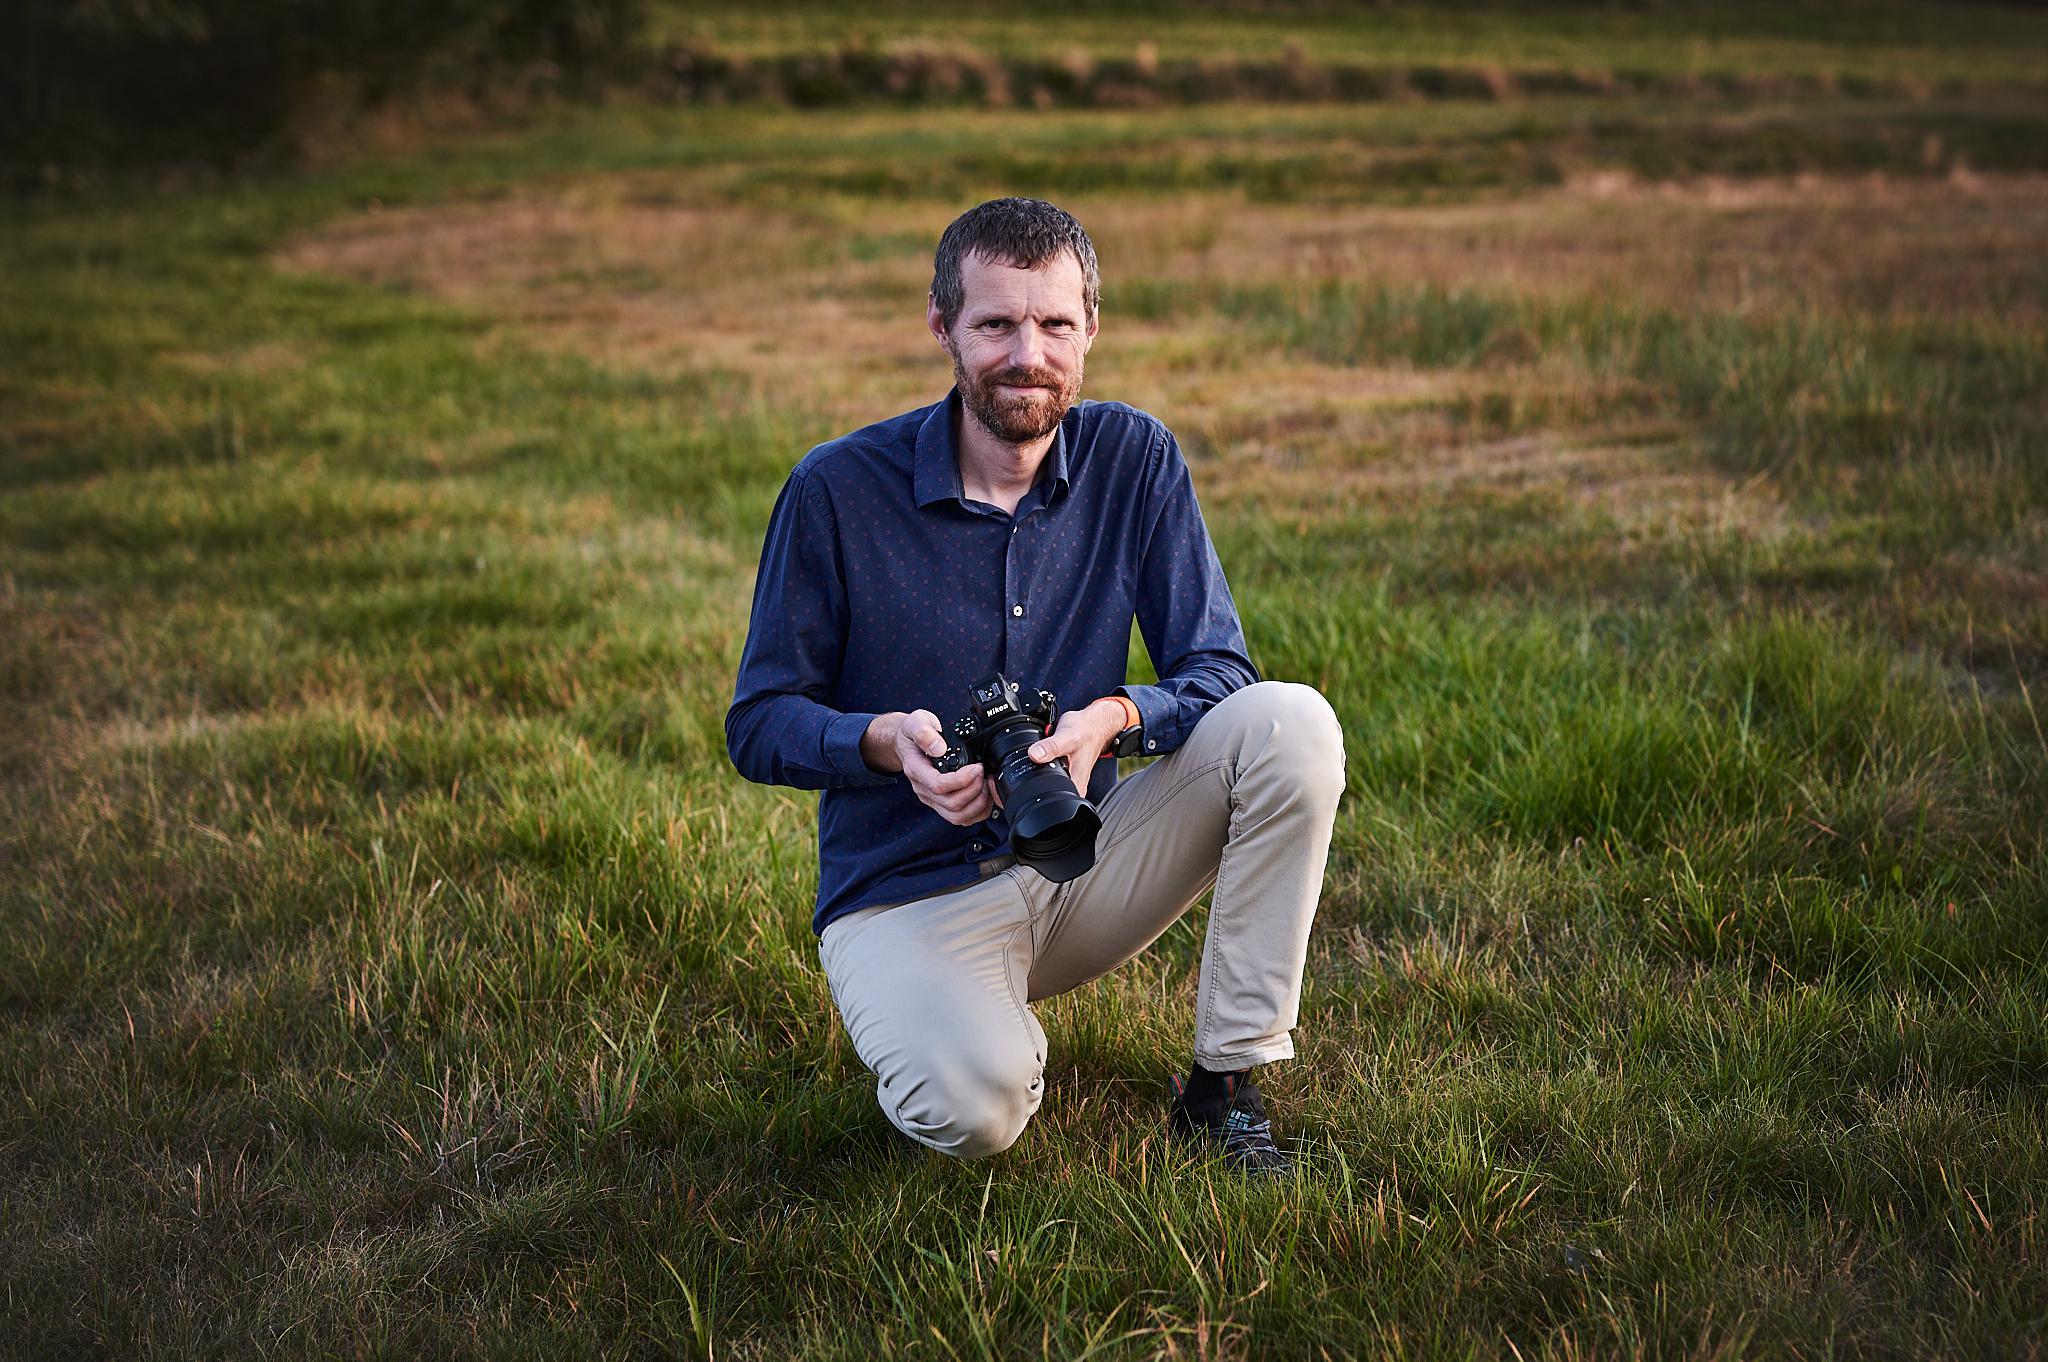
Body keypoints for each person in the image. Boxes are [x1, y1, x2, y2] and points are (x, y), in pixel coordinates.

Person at [725, 196, 1345, 1174]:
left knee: (1290, 726)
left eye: (1055, 323)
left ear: (1090, 327)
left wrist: (1114, 718)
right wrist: (884, 745)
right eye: (995, 324)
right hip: (905, 896)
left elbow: (1221, 671)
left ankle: (1223, 1086)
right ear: (942, 328)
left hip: (1078, 859)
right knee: (974, 1111)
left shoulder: (1133, 460)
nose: (1029, 354)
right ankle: (967, 1029)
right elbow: (756, 724)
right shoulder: (835, 491)